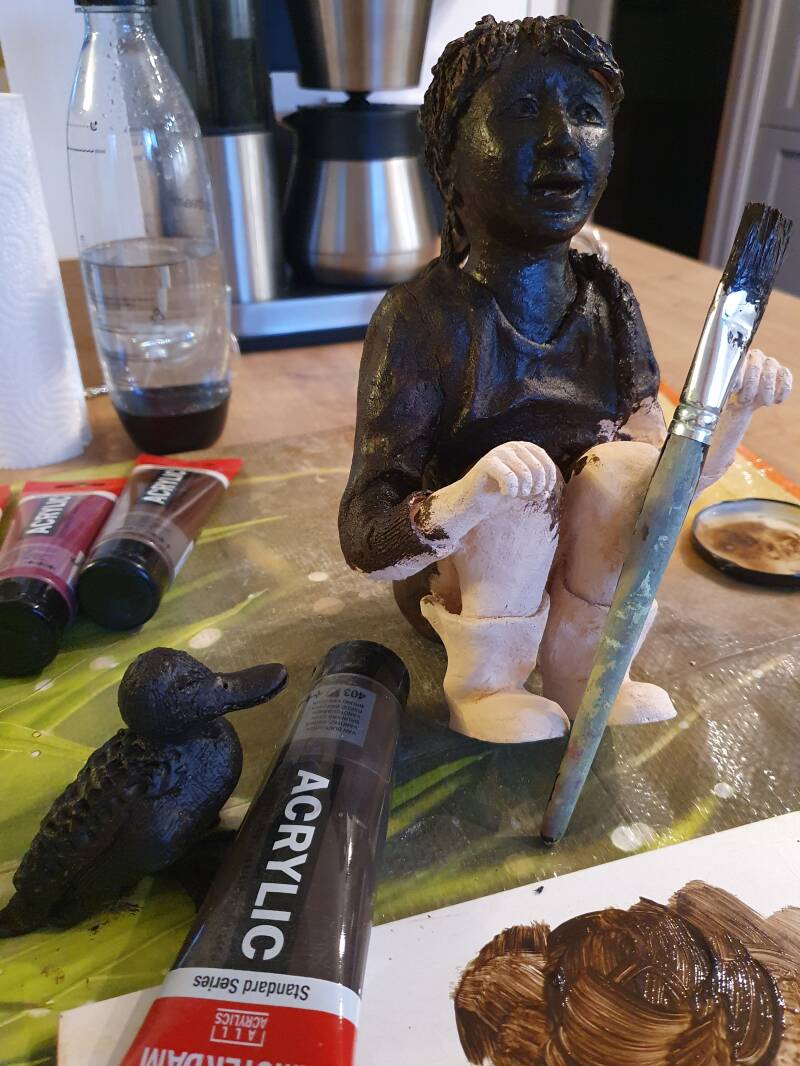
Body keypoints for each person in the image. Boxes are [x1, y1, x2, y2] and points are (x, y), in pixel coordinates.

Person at [338, 15, 792, 743]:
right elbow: (366, 533)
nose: (562, 141)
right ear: (450, 155)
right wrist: (469, 496)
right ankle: (485, 685)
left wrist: (729, 409)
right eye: (522, 110)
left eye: (586, 113)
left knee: (622, 468)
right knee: (521, 487)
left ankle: (586, 670)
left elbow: (661, 485)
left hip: (582, 578)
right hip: (463, 587)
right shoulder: (421, 318)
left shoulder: (607, 301)